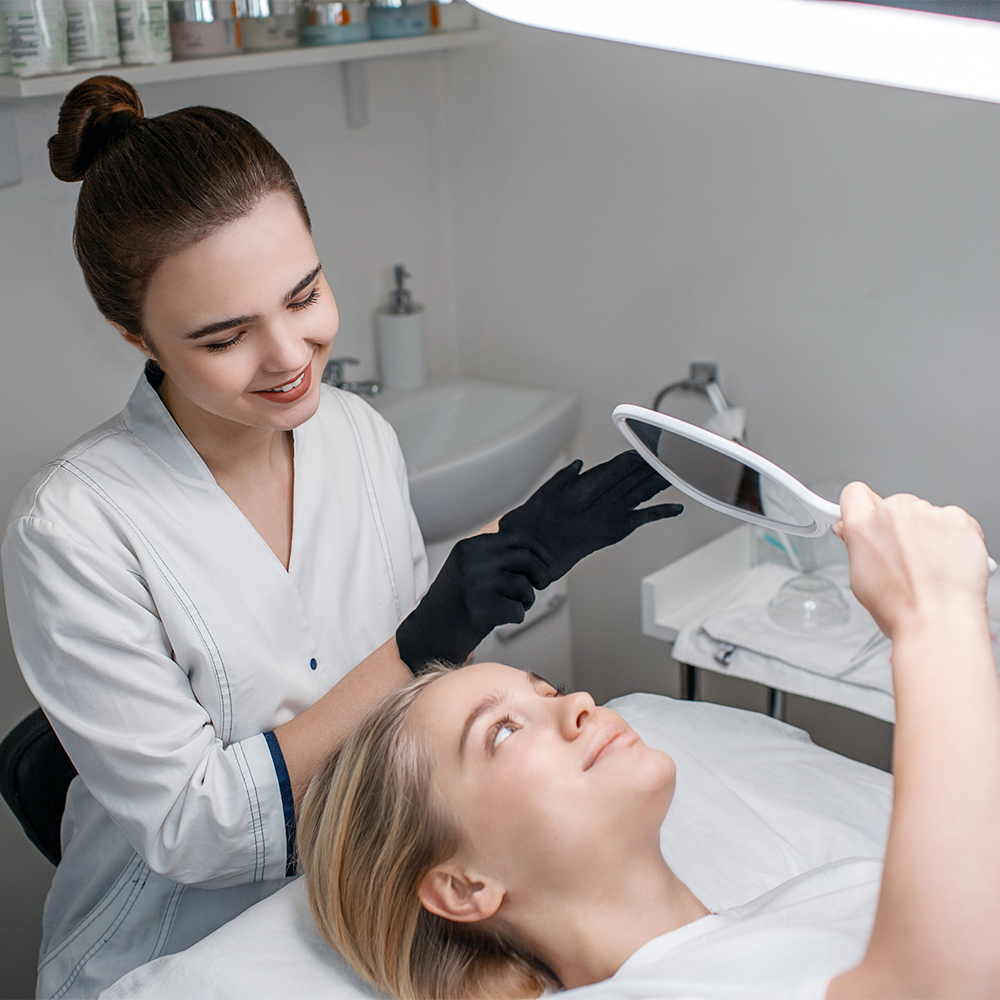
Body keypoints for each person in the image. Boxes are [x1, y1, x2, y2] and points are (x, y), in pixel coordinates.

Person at [0, 76, 683, 999]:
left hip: (358, 904)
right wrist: (420, 645)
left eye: (305, 294)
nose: (288, 356)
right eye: (225, 335)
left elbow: (400, 703)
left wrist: (513, 554)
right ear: (136, 335)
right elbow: (195, 832)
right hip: (171, 948)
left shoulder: (357, 436)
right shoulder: (74, 529)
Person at [298, 483, 1000, 1000]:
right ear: (462, 886)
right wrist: (934, 618)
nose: (576, 702)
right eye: (503, 731)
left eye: (545, 691)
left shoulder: (800, 899)